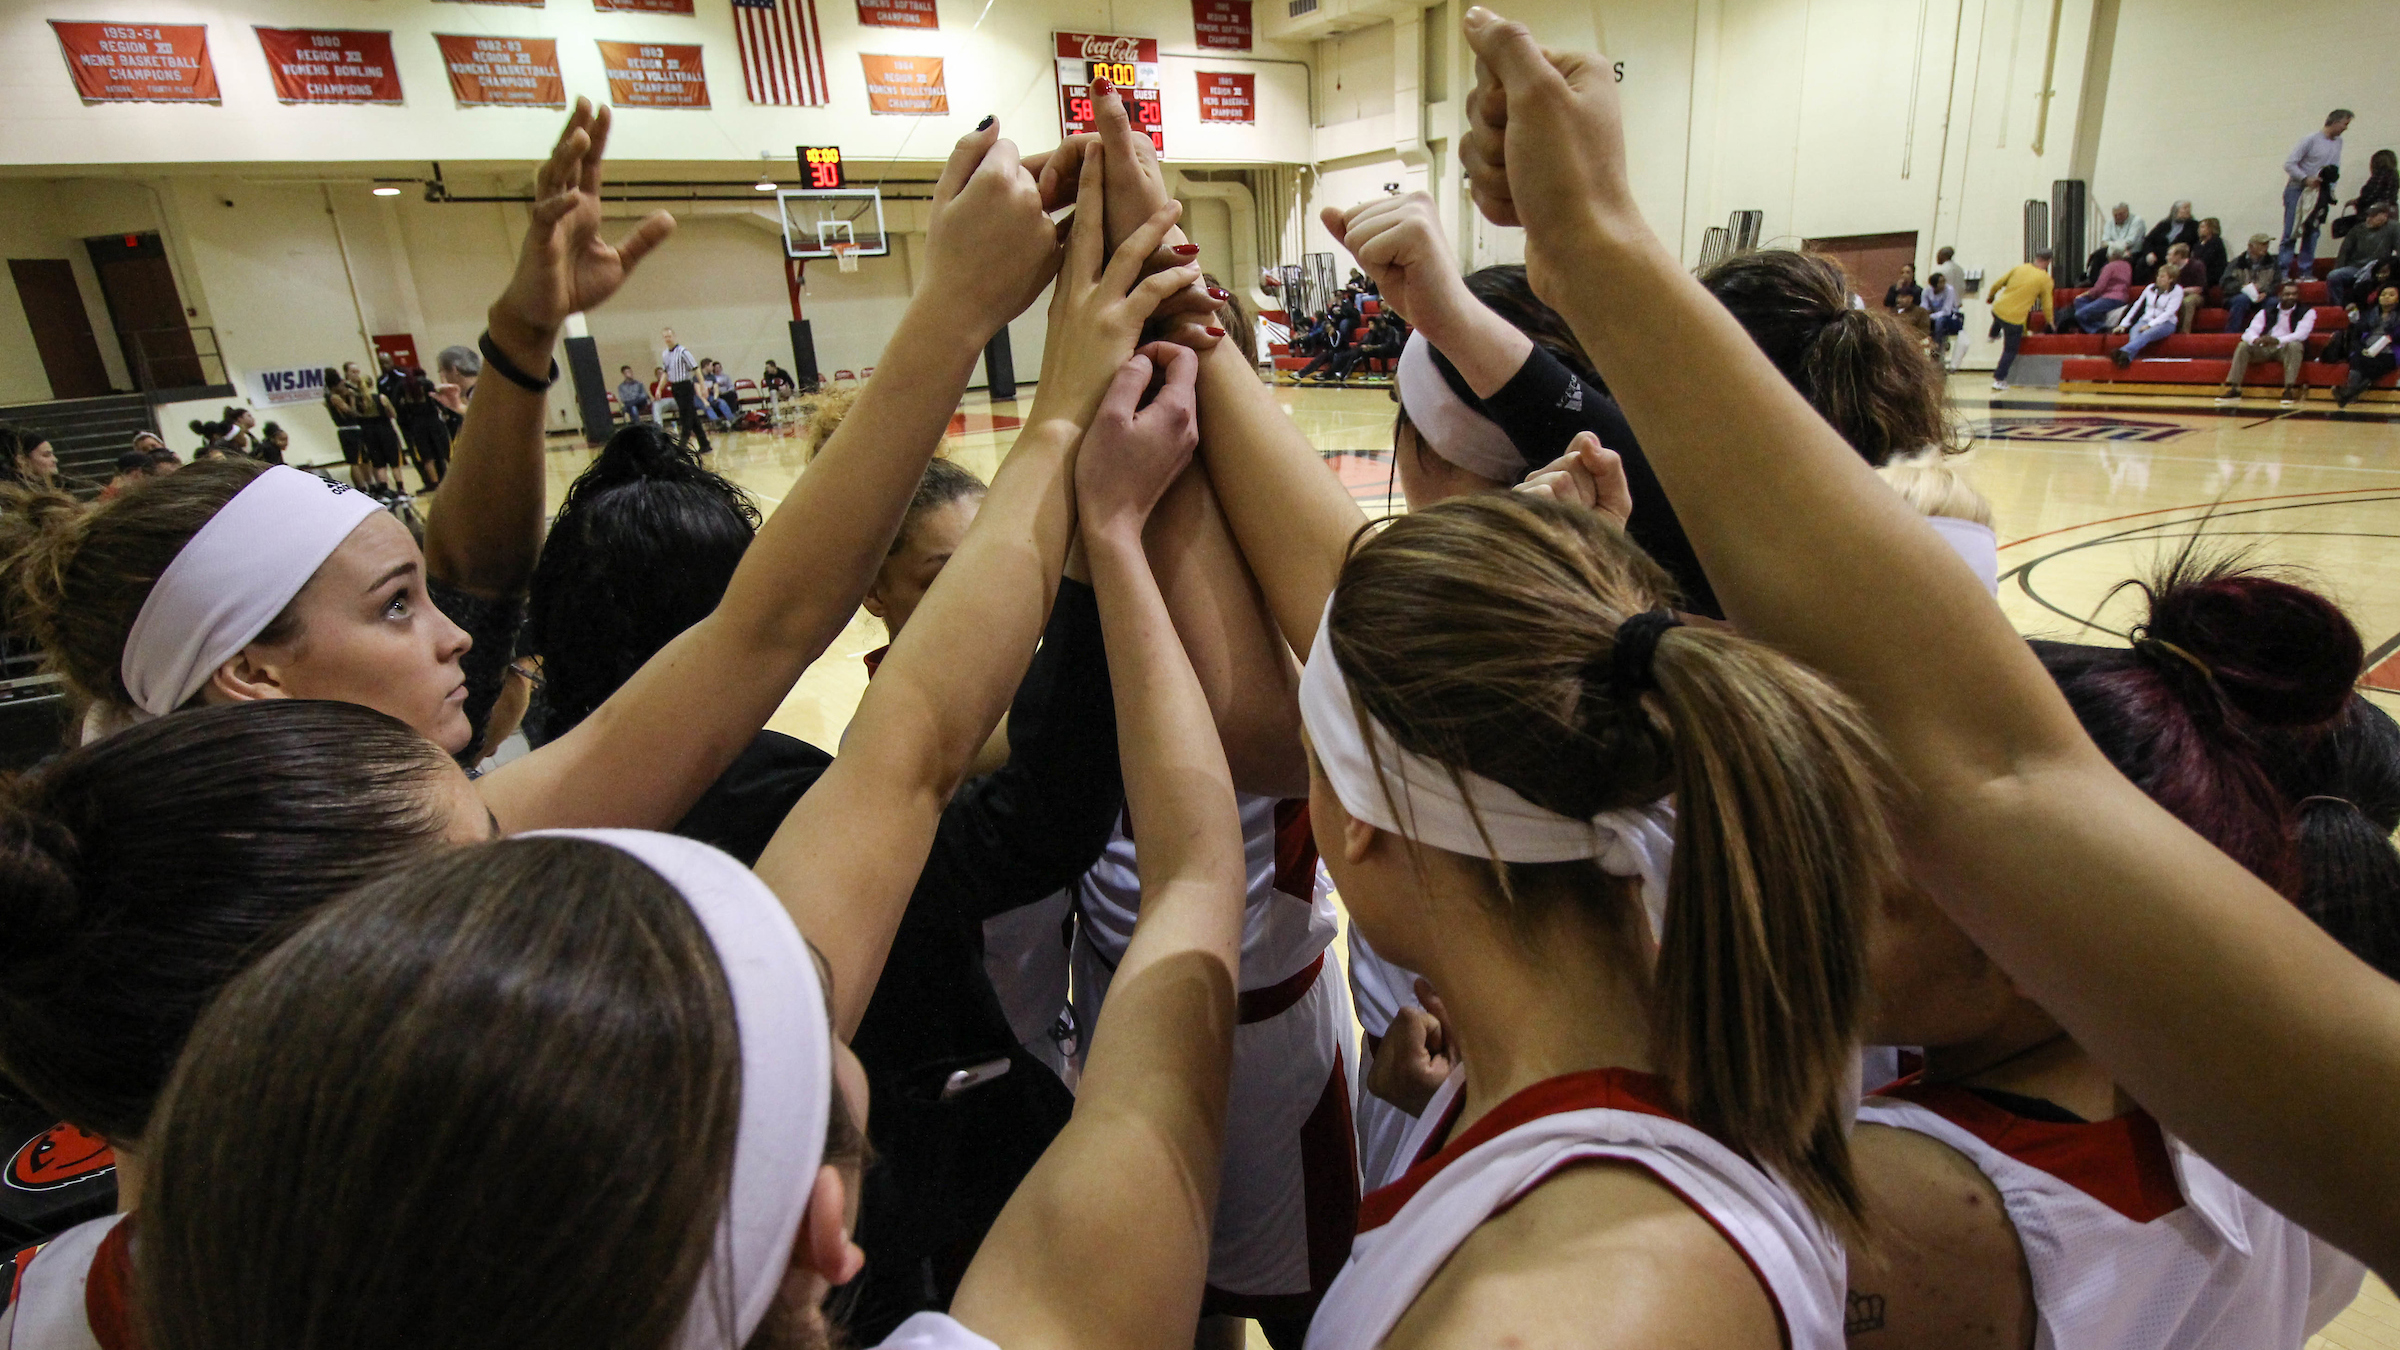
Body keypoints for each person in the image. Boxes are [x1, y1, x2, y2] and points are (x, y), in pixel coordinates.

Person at [1454, 6, 2400, 1276]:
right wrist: (1592, 257)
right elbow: (1991, 778)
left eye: (1898, 860)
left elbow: (1992, 784)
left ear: (2041, 947)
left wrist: (1594, 255)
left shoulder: (1918, 1225)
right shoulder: (2242, 1149)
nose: (1854, 870)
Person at [1849, 559, 2382, 1350]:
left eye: (1881, 857)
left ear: (2042, 933)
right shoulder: (2274, 1110)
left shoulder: (1897, 1202)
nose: (1826, 888)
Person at [2216, 279, 2316, 404]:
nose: (2291, 297)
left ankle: (2288, 389)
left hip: (2285, 349)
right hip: (2265, 348)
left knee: (2295, 345)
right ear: (2280, 296)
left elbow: (2301, 334)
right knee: (2243, 345)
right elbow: (2250, 331)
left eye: (2294, 294)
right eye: (2287, 294)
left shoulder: (2307, 311)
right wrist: (2256, 339)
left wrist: (2277, 340)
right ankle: (2234, 388)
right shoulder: (2266, 310)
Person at [2285, 109, 2353, 274]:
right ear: (2335, 122)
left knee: (2313, 231)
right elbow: (2289, 164)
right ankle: (2283, 271)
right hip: (2299, 189)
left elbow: (2334, 167)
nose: (2346, 128)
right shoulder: (2310, 140)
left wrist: (2331, 189)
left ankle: (2305, 271)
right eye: (2345, 124)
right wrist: (2305, 178)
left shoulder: (2339, 142)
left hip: (2319, 192)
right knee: (2291, 230)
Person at [1984, 249, 2054, 390]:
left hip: (1998, 309)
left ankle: (1992, 334)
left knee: (1999, 316)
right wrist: (2050, 321)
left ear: (2036, 257)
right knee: (2010, 350)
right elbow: (2047, 304)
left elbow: (1998, 283)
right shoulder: (2045, 279)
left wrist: (1991, 296)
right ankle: (1999, 379)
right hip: (2014, 319)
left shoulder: (2020, 268)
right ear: (2048, 262)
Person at [343, 360, 406, 497]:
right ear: (372, 384)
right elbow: (393, 414)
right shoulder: (381, 398)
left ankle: (384, 490)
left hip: (368, 433)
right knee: (394, 462)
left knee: (379, 463)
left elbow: (354, 414)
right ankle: (401, 489)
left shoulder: (359, 401)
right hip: (385, 430)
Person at [2335, 282, 2399, 407]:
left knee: (2375, 362)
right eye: (2383, 294)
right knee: (2358, 358)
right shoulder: (2369, 314)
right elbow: (2357, 334)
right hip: (2368, 348)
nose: (2386, 297)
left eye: (2391, 295)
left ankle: (2348, 394)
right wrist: (2361, 348)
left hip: (2390, 350)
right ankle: (2351, 393)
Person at [2109, 264, 2184, 367]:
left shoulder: (2177, 291)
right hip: (2145, 320)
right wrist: (2123, 324)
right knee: (2134, 334)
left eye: (2162, 277)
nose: (2158, 278)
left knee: (2146, 334)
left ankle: (2123, 351)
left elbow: (2169, 312)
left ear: (2171, 279)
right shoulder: (2150, 288)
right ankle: (2126, 358)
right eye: (2158, 276)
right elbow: (2137, 306)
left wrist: (2151, 325)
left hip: (2166, 323)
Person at [2327, 201, 2396, 308]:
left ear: (2384, 216)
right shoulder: (2357, 229)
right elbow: (2344, 251)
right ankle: (2338, 307)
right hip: (2355, 268)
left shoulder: (2393, 228)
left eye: (2373, 216)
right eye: (2368, 216)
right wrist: (2338, 267)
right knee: (2334, 275)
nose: (2369, 219)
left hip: (2376, 269)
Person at [2057, 244, 2131, 333]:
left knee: (2080, 312)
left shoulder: (2109, 267)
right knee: (2080, 301)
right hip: (2122, 297)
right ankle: (2093, 321)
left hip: (2110, 298)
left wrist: (2087, 293)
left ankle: (2099, 328)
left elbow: (2099, 288)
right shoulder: (2127, 266)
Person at [2221, 232, 2284, 333]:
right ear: (2250, 246)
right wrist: (2242, 287)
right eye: (2262, 244)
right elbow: (2225, 282)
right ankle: (2231, 334)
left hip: (2263, 296)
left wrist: (2266, 293)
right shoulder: (2236, 263)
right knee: (2241, 300)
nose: (2266, 247)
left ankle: (2268, 334)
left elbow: (2276, 282)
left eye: (2267, 244)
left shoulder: (2272, 263)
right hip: (2239, 295)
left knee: (2273, 302)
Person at [660, 326, 710, 453]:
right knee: (691, 415)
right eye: (665, 337)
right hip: (675, 386)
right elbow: (665, 373)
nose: (667, 339)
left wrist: (703, 386)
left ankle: (682, 445)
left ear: (674, 337)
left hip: (685, 385)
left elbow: (696, 368)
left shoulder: (683, 352)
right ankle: (705, 444)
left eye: (669, 336)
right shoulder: (665, 354)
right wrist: (659, 389)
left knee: (685, 415)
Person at [319, 365, 368, 490]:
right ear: (335, 385)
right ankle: (361, 487)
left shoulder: (334, 396)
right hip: (347, 430)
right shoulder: (334, 397)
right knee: (354, 461)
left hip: (353, 429)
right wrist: (351, 399)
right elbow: (350, 412)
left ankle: (369, 484)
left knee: (362, 459)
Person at [430, 343, 479, 441]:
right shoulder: (477, 389)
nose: (441, 377)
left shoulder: (480, 393)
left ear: (454, 369)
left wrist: (459, 407)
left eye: (441, 371)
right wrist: (458, 407)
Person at [2091, 201, 2145, 280]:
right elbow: (2104, 242)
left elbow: (2130, 242)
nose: (2118, 217)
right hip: (2113, 252)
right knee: (2097, 255)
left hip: (2131, 251)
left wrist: (2112, 245)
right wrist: (2116, 246)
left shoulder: (2137, 221)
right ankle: (2093, 281)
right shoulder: (2109, 222)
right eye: (2115, 215)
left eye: (2120, 214)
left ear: (2127, 212)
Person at [2140, 199, 2199, 270]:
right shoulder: (2164, 224)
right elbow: (2148, 240)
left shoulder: (2194, 225)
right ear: (2176, 210)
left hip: (2179, 258)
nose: (2188, 210)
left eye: (2189, 208)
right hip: (2158, 256)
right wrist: (2149, 253)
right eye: (2185, 208)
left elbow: (2195, 243)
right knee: (2142, 264)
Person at [1922, 268, 1963, 363]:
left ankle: (1937, 343)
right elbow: (1924, 306)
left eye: (1944, 281)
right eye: (1941, 282)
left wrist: (1931, 316)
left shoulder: (1949, 290)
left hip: (1949, 317)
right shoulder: (1927, 292)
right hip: (1933, 316)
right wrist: (1925, 315)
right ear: (1934, 285)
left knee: (1939, 321)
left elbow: (1947, 310)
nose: (1944, 284)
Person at [2166, 241, 2208, 330]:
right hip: (2176, 293)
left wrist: (2181, 291)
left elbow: (2199, 288)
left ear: (2178, 256)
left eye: (2170, 255)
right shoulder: (2169, 268)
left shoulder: (2196, 265)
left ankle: (2184, 332)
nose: (2167, 257)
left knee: (2187, 302)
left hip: (2195, 295)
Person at [2197, 215, 2228, 288]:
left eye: (2202, 227)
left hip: (2212, 276)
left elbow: (2206, 259)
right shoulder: (2199, 243)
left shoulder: (2216, 242)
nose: (2199, 229)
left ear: (2211, 229)